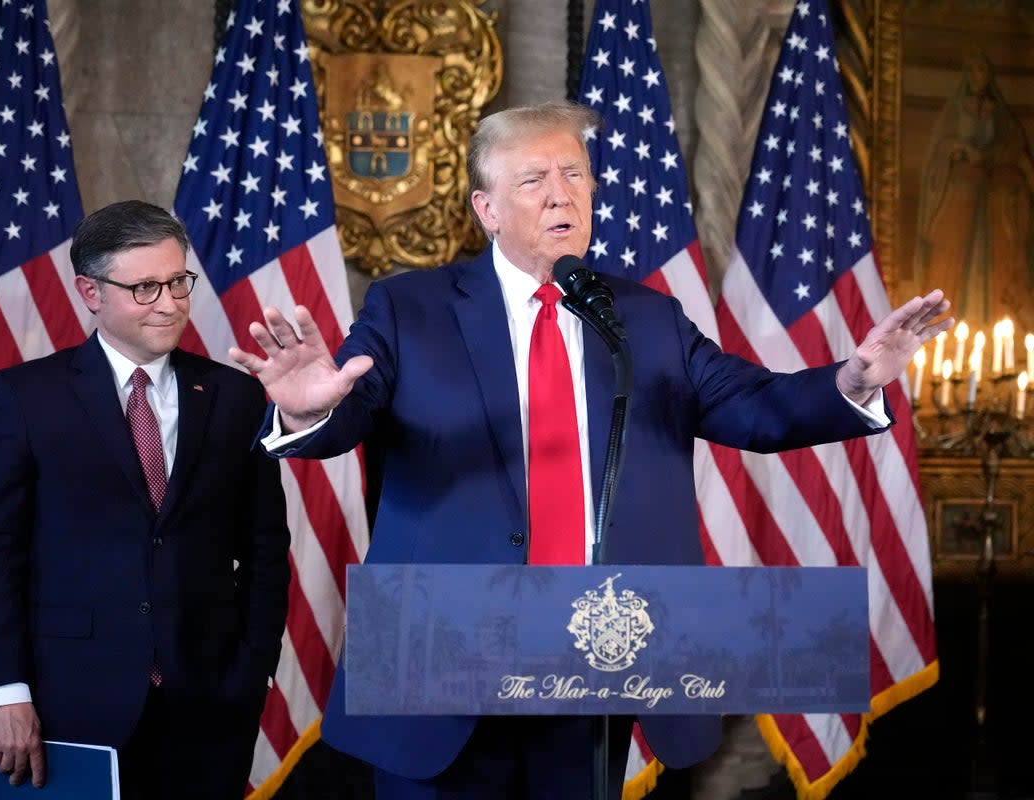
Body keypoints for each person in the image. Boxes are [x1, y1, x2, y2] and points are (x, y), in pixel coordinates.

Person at [229, 102, 953, 799]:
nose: (560, 194)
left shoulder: (645, 317)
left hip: (594, 660)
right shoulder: (408, 308)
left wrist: (852, 381)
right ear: (487, 210)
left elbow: (755, 407)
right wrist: (309, 408)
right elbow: (348, 411)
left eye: (574, 174)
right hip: (443, 660)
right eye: (533, 180)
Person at [0, 200, 291, 798]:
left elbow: (267, 549)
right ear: (91, 291)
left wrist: (251, 669)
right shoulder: (27, 396)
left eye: (177, 282)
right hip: (68, 702)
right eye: (144, 288)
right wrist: (6, 691)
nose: (169, 303)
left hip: (210, 704)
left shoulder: (237, 396)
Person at [913, 50, 1034, 330]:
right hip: (960, 196)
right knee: (951, 257)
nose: (978, 76)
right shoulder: (953, 112)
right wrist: (960, 148)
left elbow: (1016, 150)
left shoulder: (1000, 114)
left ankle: (1000, 320)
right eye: (973, 70)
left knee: (999, 255)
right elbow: (939, 151)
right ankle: (946, 325)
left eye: (983, 70)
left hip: (993, 201)